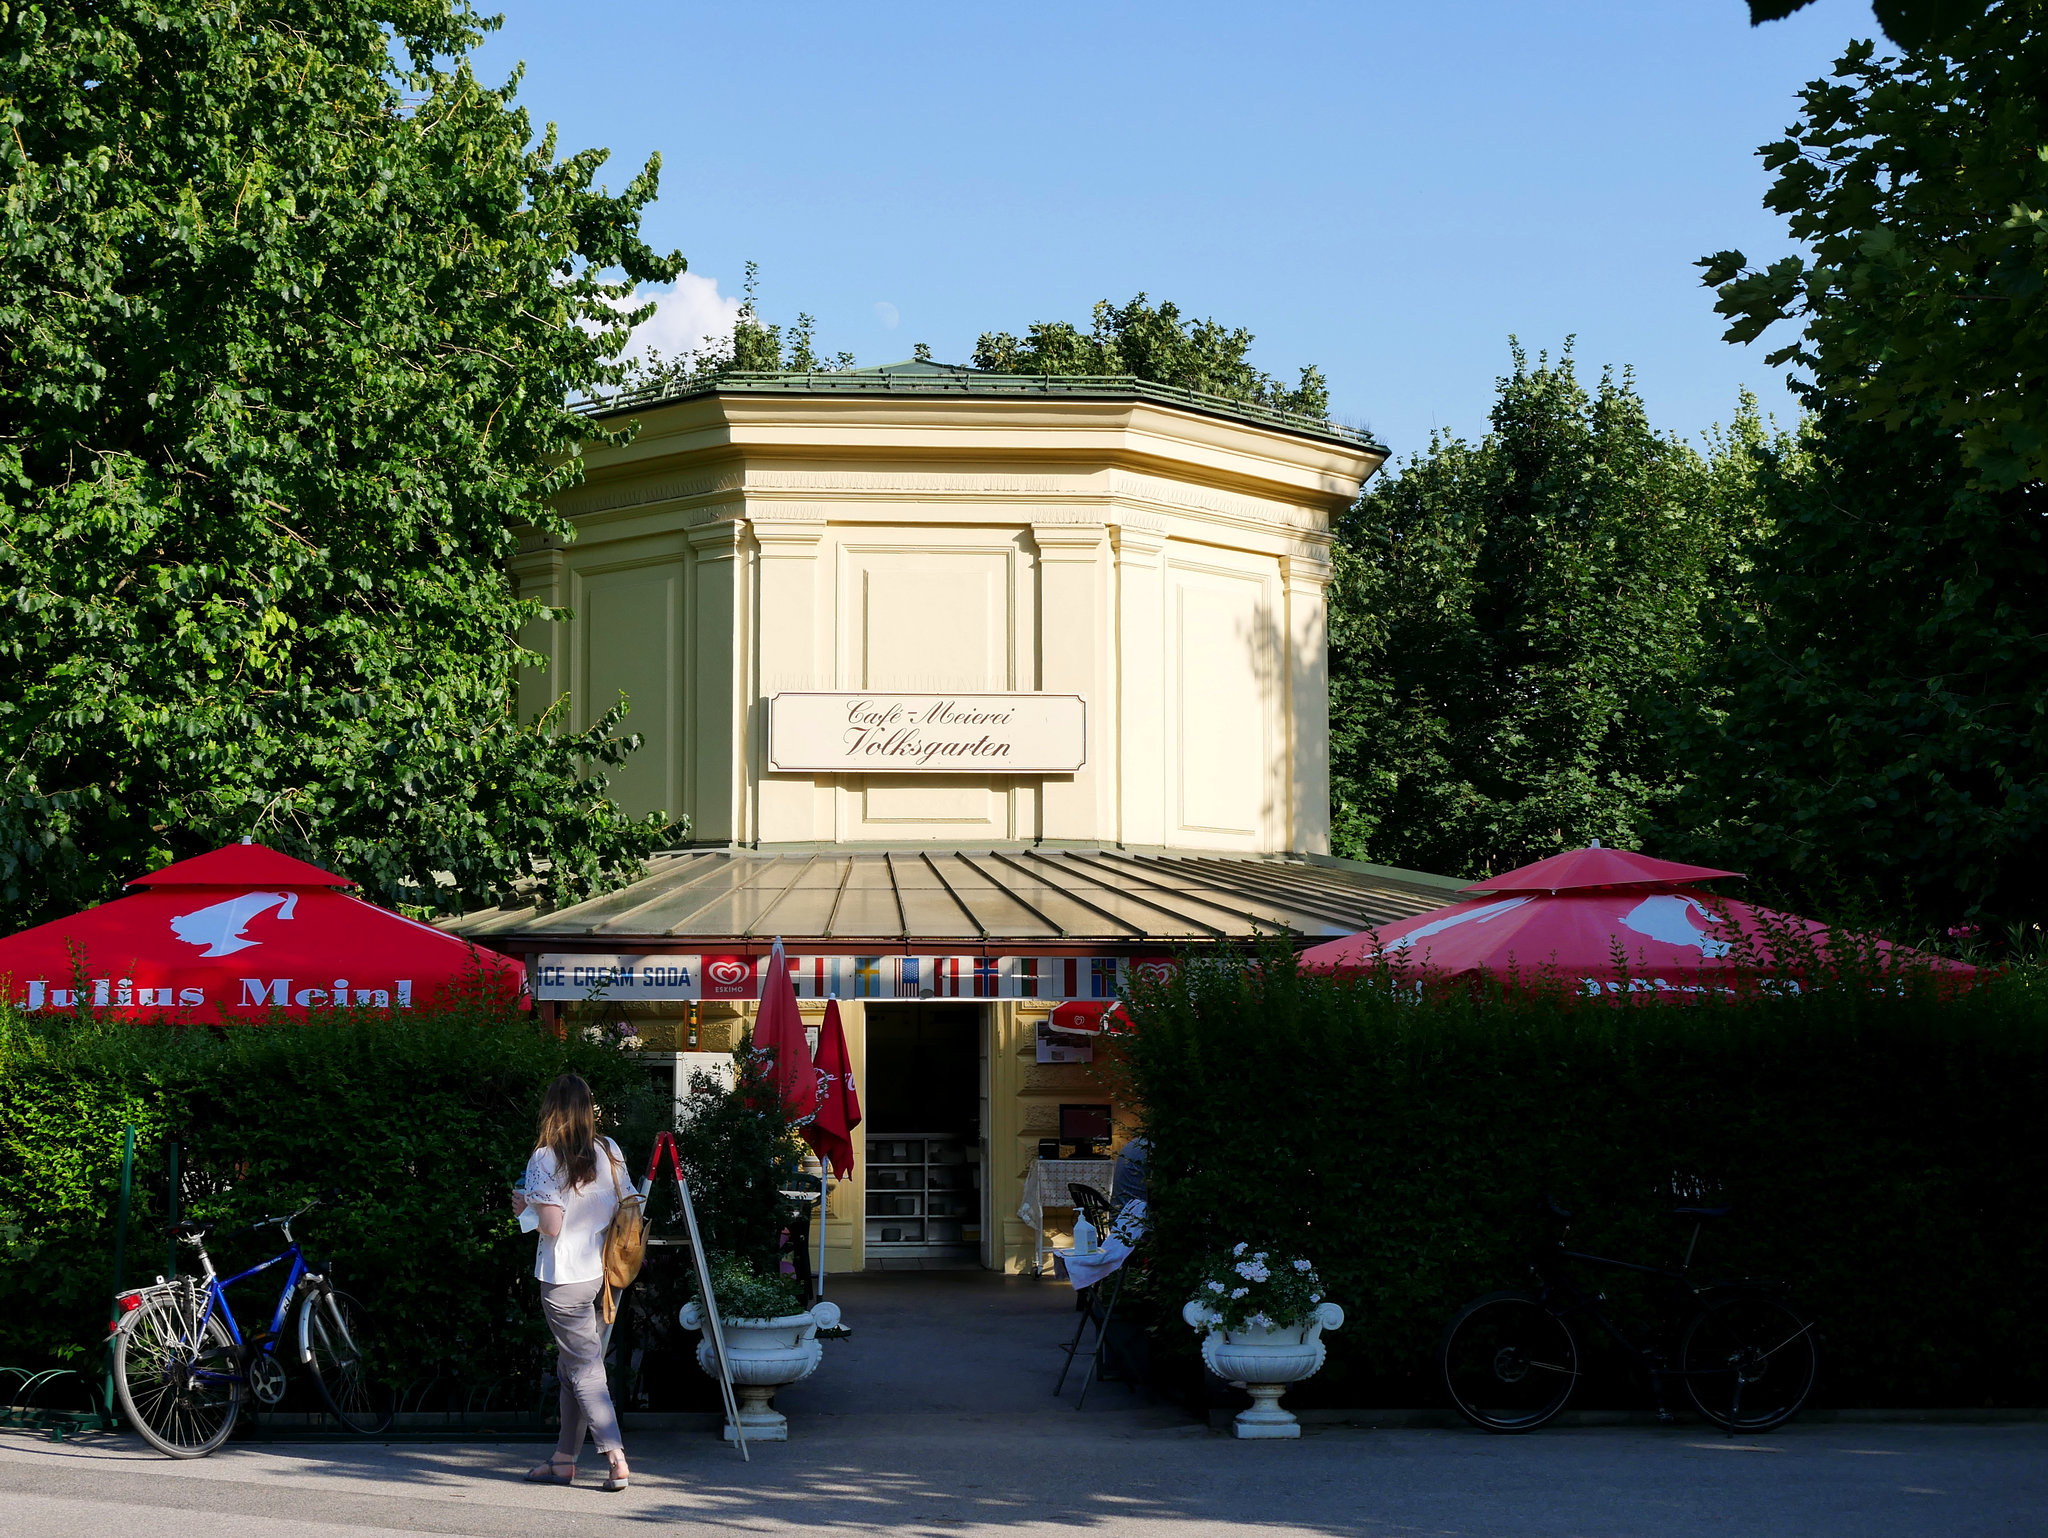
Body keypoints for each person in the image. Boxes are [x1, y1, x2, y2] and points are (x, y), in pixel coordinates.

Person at [510, 1073, 631, 1491]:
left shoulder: (545, 1158)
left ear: (551, 1109)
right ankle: (564, 1459)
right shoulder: (609, 1150)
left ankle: (615, 1456)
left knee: (583, 1368)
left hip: (563, 1279)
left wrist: (523, 1208)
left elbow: (551, 1225)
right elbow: (628, 1203)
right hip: (605, 1274)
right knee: (572, 1368)